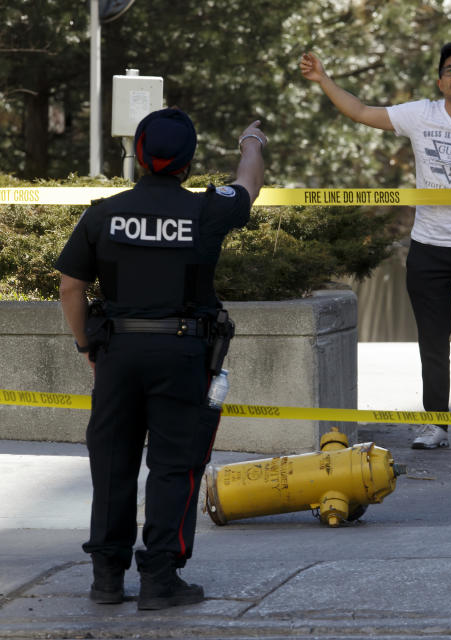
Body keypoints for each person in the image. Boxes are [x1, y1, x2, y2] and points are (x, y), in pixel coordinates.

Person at [56, 108, 266, 609]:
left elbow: (70, 286)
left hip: (118, 355)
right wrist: (252, 142)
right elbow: (248, 184)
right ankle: (160, 579)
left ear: (140, 157)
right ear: (188, 162)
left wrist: (87, 345)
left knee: (112, 463)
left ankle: (107, 577)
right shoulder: (208, 210)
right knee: (175, 465)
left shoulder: (103, 212)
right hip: (183, 352)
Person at [300, 42, 451, 451]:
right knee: (432, 339)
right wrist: (323, 80)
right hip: (428, 247)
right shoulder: (420, 114)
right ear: (440, 80)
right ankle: (435, 424)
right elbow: (360, 111)